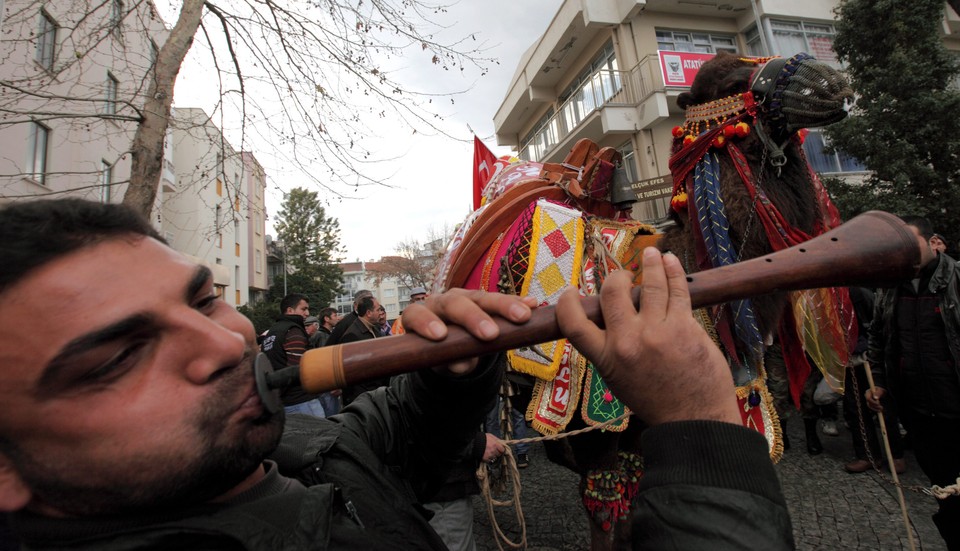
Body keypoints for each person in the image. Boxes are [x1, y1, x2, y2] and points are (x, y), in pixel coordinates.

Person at [1, 199, 793, 550]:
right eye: (116, 357)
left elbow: (383, 449)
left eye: (205, 298)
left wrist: (453, 374)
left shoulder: (275, 454)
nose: (223, 342)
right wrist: (700, 428)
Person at [866, 216, 960, 550]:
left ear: (935, 242)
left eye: (910, 244)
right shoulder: (891, 289)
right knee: (946, 496)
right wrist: (877, 382)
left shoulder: (957, 279)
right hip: (921, 413)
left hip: (956, 407)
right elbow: (877, 340)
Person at [843, 286, 906, 474]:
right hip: (848, 359)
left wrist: (870, 349)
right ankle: (867, 455)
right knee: (855, 409)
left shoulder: (860, 293)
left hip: (870, 358)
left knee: (883, 405)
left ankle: (896, 455)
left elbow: (879, 325)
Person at [261, 294, 326, 418]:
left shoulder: (271, 332)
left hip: (283, 402)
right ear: (290, 310)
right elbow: (298, 367)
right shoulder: (293, 331)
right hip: (302, 401)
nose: (307, 313)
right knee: (322, 436)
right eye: (303, 309)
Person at [338, 295, 386, 406]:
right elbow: (351, 374)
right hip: (363, 398)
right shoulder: (352, 335)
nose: (381, 312)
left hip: (377, 392)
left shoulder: (375, 329)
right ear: (369, 313)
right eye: (378, 309)